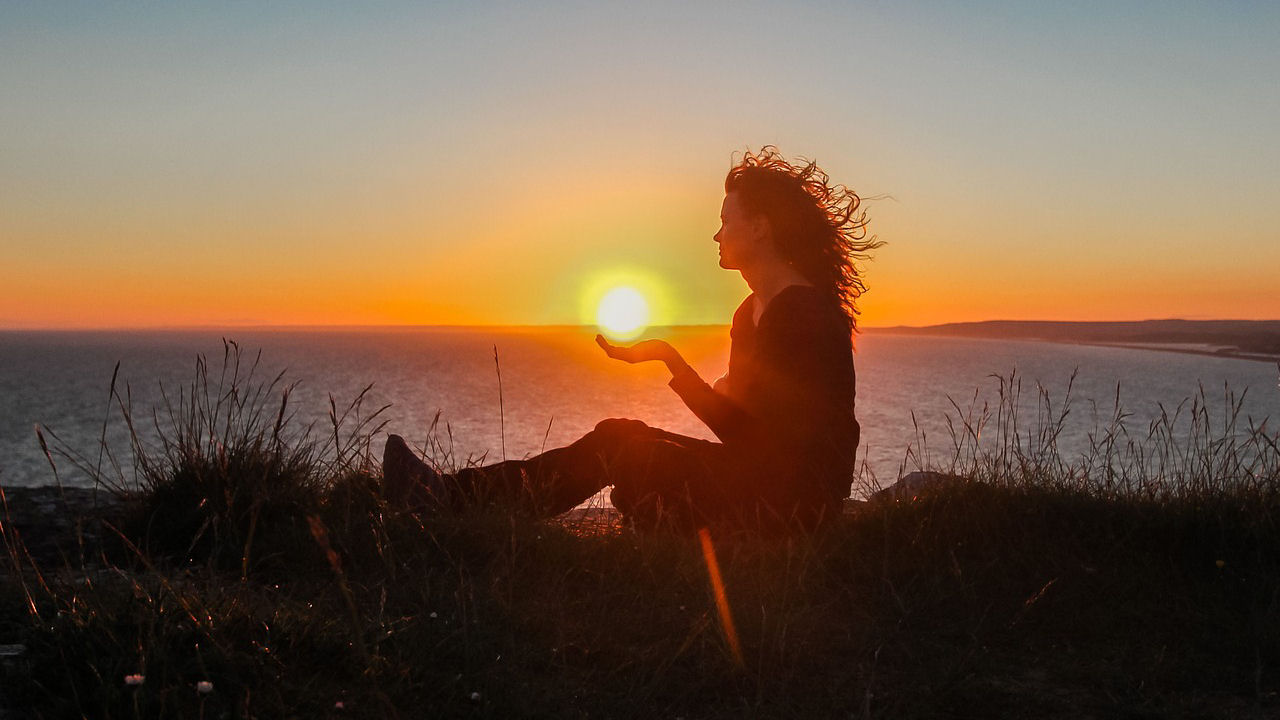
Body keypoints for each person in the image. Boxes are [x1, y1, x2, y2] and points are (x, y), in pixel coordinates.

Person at [383, 146, 880, 529]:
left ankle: (450, 502)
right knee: (617, 435)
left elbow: (787, 455)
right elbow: (744, 435)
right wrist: (671, 362)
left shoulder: (804, 314)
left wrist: (691, 391)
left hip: (792, 507)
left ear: (761, 228)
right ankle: (450, 498)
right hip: (754, 480)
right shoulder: (748, 313)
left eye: (726, 221)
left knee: (631, 453)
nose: (717, 234)